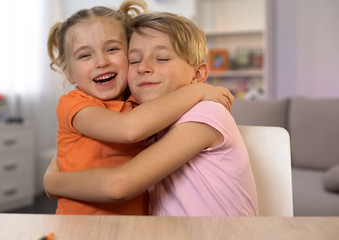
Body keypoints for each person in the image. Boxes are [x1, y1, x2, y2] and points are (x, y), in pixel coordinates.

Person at [44, 11, 258, 216]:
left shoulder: (206, 113)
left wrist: (53, 182)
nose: (143, 68)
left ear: (198, 73)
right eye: (134, 61)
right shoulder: (148, 118)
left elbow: (120, 183)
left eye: (162, 58)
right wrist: (197, 90)